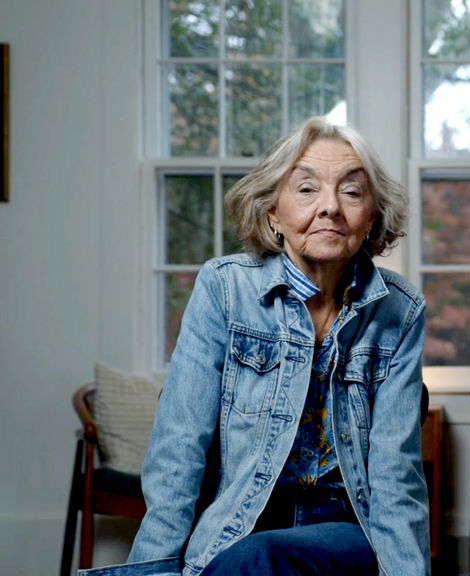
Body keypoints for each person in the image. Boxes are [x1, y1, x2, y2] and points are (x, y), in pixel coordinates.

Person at [84, 117, 429, 576]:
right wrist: (155, 568)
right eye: (306, 189)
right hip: (240, 521)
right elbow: (179, 445)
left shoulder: (399, 311)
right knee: (246, 555)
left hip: (345, 529)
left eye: (351, 191)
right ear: (273, 214)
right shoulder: (224, 289)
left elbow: (395, 476)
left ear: (371, 218)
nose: (329, 207)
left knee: (259, 557)